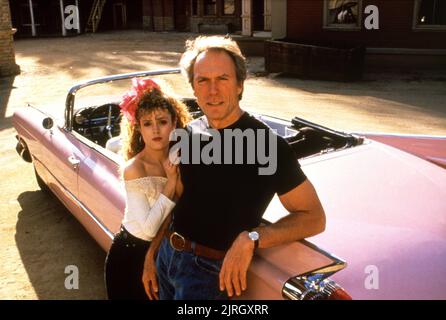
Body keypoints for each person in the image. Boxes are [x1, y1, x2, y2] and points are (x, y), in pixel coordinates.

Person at [142, 35, 326, 300]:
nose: (212, 90)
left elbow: (313, 217)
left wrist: (252, 237)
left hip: (207, 276)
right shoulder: (189, 132)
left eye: (222, 79)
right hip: (167, 259)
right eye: (202, 80)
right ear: (193, 87)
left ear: (240, 85)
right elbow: (178, 199)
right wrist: (152, 253)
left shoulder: (266, 146)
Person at [104, 78, 191, 299]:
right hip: (130, 254)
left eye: (162, 121)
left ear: (174, 123)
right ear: (138, 128)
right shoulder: (135, 168)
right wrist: (171, 182)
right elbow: (149, 228)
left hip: (166, 252)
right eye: (147, 123)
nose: (156, 130)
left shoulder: (182, 158)